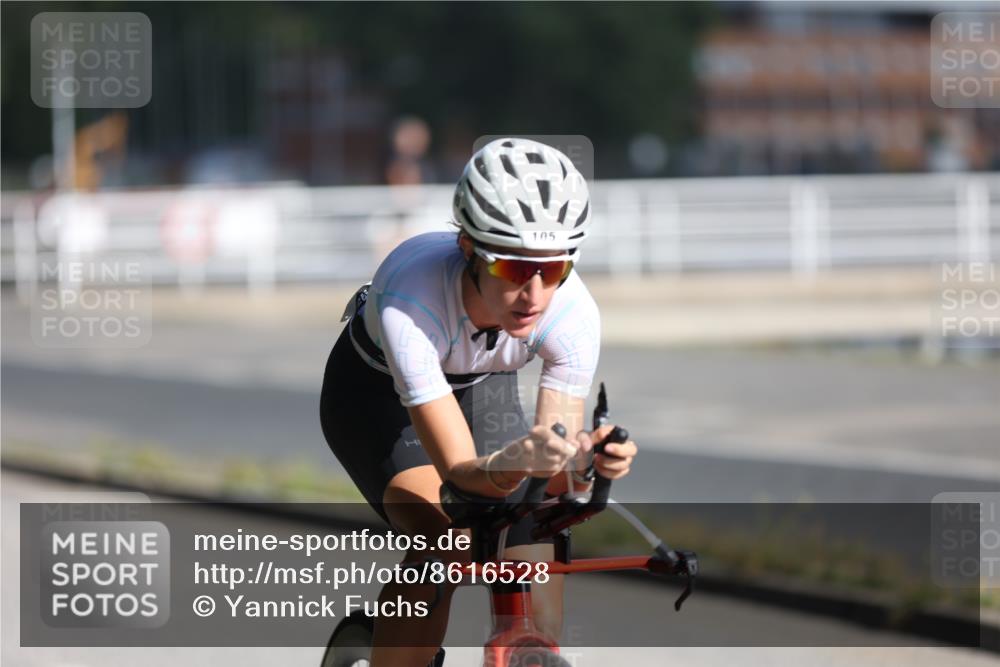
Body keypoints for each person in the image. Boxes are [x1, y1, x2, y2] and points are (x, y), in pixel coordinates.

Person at [319, 137, 638, 667]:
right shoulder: (413, 300)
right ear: (468, 249)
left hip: (481, 385)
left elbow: (552, 464)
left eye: (554, 268)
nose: (534, 293)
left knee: (533, 539)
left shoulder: (573, 313)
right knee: (449, 540)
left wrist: (587, 464)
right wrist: (515, 463)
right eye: (513, 270)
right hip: (376, 402)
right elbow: (463, 478)